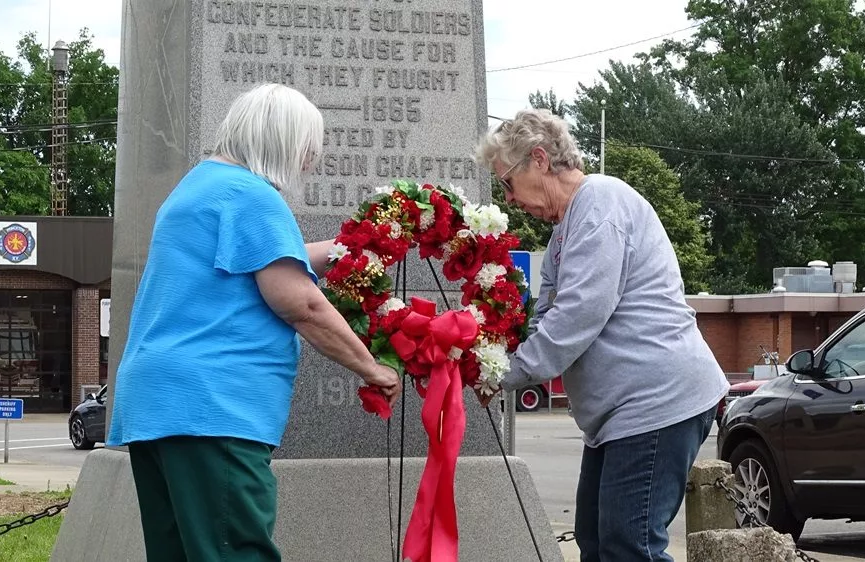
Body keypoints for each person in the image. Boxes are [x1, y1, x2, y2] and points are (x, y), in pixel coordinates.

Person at [106, 83, 402, 562]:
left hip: (160, 405)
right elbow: (299, 303)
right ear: (282, 141)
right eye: (308, 147)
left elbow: (264, 262)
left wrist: (350, 247)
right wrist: (371, 368)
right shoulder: (252, 197)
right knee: (236, 551)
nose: (310, 160)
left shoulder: (199, 187)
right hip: (214, 407)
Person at [474, 109, 729, 561]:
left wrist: (500, 374)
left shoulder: (601, 205)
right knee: (595, 540)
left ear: (538, 159)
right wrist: (487, 352)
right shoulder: (562, 233)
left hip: (655, 403)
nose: (509, 200)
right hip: (624, 415)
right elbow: (546, 319)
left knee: (628, 548)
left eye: (507, 183)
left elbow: (576, 319)